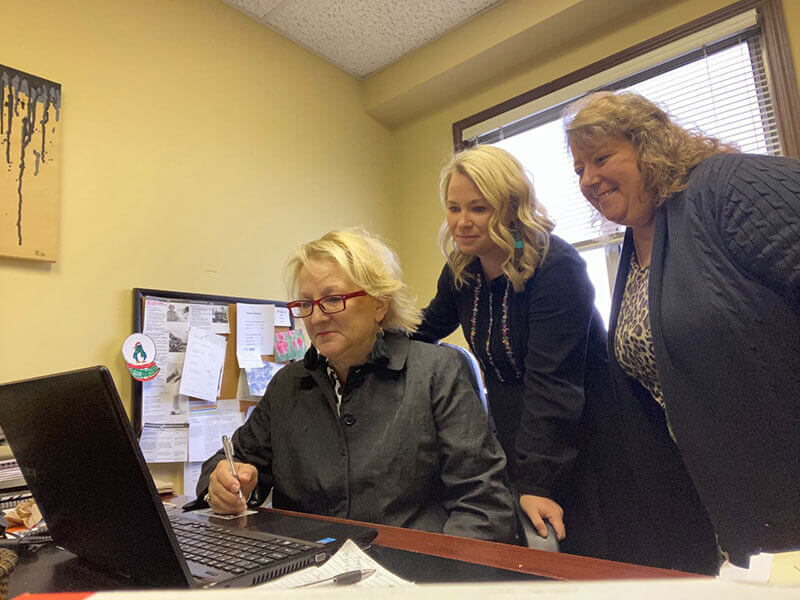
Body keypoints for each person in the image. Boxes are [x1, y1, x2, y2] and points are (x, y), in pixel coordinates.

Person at [563, 90, 800, 573]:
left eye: (601, 158)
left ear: (650, 145)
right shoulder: (639, 242)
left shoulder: (728, 185)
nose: (588, 179)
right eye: (579, 170)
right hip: (726, 507)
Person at [196, 229, 517, 543]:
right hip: (304, 574)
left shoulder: (437, 372)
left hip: (408, 577)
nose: (317, 318)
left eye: (333, 299)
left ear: (379, 304)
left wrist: (431, 578)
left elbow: (485, 506)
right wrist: (222, 483)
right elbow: (230, 462)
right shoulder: (287, 386)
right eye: (305, 304)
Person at [412, 145, 609, 553]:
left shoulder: (555, 265)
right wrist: (371, 334)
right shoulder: (462, 270)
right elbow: (426, 328)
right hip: (516, 430)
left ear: (509, 208)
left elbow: (552, 384)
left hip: (582, 428)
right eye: (454, 208)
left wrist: (537, 482)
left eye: (478, 209)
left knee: (588, 553)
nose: (462, 223)